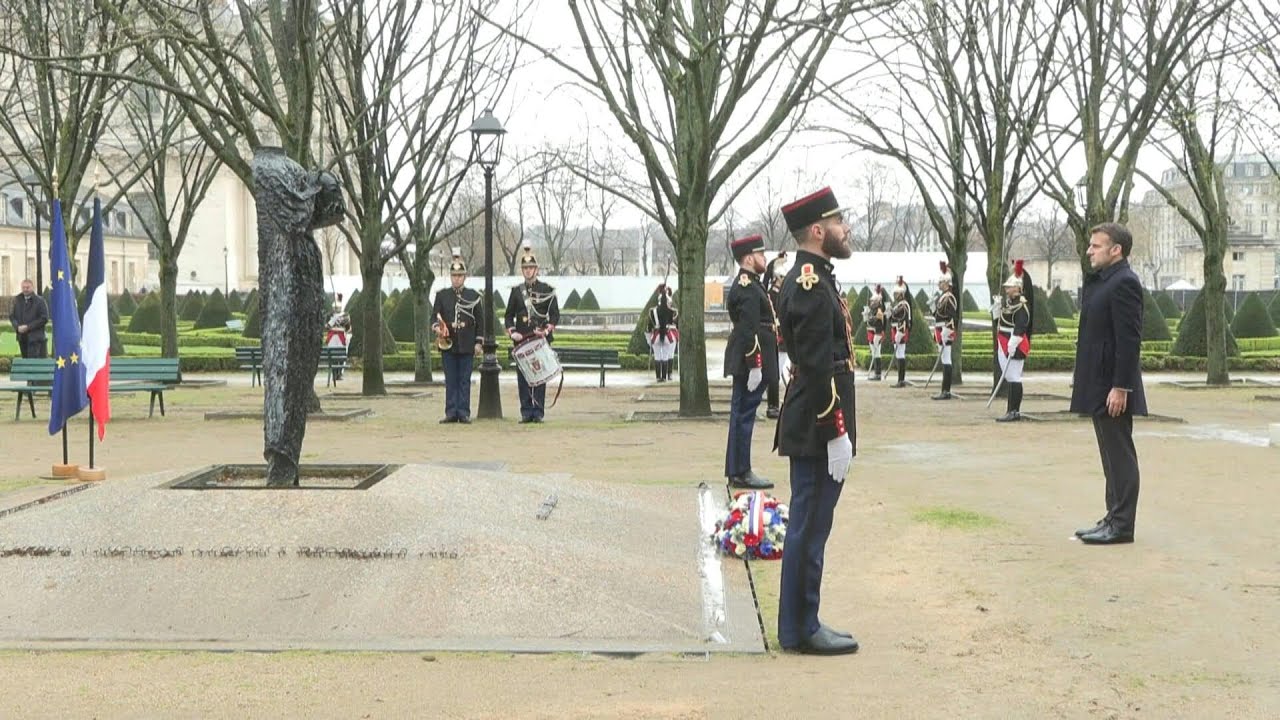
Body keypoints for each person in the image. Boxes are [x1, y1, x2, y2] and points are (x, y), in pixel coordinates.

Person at [774, 186, 859, 656]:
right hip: (816, 424)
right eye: (838, 222)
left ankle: (803, 621)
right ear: (816, 230)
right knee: (809, 524)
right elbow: (818, 362)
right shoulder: (808, 280)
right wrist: (836, 432)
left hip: (816, 420)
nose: (845, 230)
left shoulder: (819, 276)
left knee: (813, 524)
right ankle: (801, 628)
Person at [1071, 222, 1147, 545]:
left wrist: (1122, 387)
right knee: (1109, 455)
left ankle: (1122, 525)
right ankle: (1112, 516)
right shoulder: (1104, 281)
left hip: (1113, 385)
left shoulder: (1124, 283)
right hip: (1099, 380)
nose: (1089, 250)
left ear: (1116, 250)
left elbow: (1129, 341)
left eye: (1096, 246)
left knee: (1120, 455)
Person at [723, 234, 778, 490]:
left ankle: (737, 469)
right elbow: (747, 329)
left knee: (742, 414)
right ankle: (741, 471)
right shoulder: (746, 287)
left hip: (750, 360)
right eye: (760, 254)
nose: (763, 258)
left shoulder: (752, 284)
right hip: (749, 362)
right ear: (748, 258)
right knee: (744, 415)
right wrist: (755, 363)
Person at [505, 244, 560, 424]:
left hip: (539, 340)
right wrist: (512, 332)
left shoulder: (546, 290)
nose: (528, 271)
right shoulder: (516, 292)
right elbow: (508, 316)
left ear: (536, 269)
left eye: (531, 268)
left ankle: (538, 412)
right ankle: (526, 412)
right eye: (525, 268)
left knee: (539, 376)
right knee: (523, 379)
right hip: (522, 341)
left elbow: (554, 315)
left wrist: (546, 330)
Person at [433, 249, 484, 423]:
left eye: (460, 275)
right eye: (454, 275)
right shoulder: (442, 295)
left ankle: (463, 412)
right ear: (450, 276)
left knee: (464, 380)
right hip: (448, 343)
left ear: (465, 277)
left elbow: (480, 322)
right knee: (451, 380)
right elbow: (435, 317)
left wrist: (478, 343)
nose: (457, 278)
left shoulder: (474, 296)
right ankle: (450, 412)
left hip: (467, 343)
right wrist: (438, 329)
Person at [994, 260, 1034, 422]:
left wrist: (1013, 342)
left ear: (1017, 288)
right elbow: (1000, 321)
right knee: (1010, 376)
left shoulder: (1021, 306)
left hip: (1013, 342)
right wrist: (997, 309)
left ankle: (1014, 410)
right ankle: (1010, 409)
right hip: (1004, 340)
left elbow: (1021, 325)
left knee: (1014, 376)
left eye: (1009, 287)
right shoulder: (1010, 303)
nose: (1006, 289)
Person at [764, 251, 789, 418]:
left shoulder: (778, 293)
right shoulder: (773, 294)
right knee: (776, 371)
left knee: (779, 371)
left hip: (783, 333)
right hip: (779, 334)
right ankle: (773, 404)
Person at [930, 262, 958, 400]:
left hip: (945, 330)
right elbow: (938, 316)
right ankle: (944, 389)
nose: (939, 285)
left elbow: (952, 316)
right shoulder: (943, 297)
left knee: (946, 359)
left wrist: (948, 329)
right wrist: (933, 308)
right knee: (944, 359)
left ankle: (946, 390)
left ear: (947, 283)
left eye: (941, 283)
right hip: (940, 328)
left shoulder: (950, 297)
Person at [646, 283, 678, 382]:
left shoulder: (652, 311)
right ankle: (664, 377)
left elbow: (649, 327)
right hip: (667, 337)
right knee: (665, 356)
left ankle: (657, 377)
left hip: (655, 336)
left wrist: (648, 339)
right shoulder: (672, 312)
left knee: (657, 356)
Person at [8, 279, 48, 358]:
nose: (25, 289)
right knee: (25, 363)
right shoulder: (16, 300)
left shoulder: (40, 301)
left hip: (36, 339)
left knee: (33, 364)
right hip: (22, 338)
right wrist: (17, 327)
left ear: (33, 287)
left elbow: (44, 318)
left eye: (27, 287)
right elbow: (12, 316)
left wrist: (28, 327)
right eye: (23, 287)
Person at [888, 277, 912, 388]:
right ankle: (900, 379)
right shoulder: (899, 305)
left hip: (900, 331)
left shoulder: (903, 305)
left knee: (901, 354)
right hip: (896, 330)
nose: (894, 295)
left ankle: (901, 379)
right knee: (899, 355)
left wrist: (900, 332)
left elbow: (903, 320)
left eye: (896, 293)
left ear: (901, 294)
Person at [324, 293, 351, 381]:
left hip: (332, 338)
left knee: (333, 357)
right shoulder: (345, 316)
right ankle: (338, 374)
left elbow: (326, 327)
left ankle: (335, 374)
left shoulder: (329, 316)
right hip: (340, 338)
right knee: (342, 355)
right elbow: (348, 328)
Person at [863, 284, 887, 381]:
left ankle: (878, 374)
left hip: (876, 333)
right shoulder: (872, 310)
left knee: (877, 353)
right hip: (871, 332)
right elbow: (869, 321)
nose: (872, 302)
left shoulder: (879, 310)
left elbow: (879, 323)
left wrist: (878, 334)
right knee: (874, 353)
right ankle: (876, 373)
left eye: (874, 301)